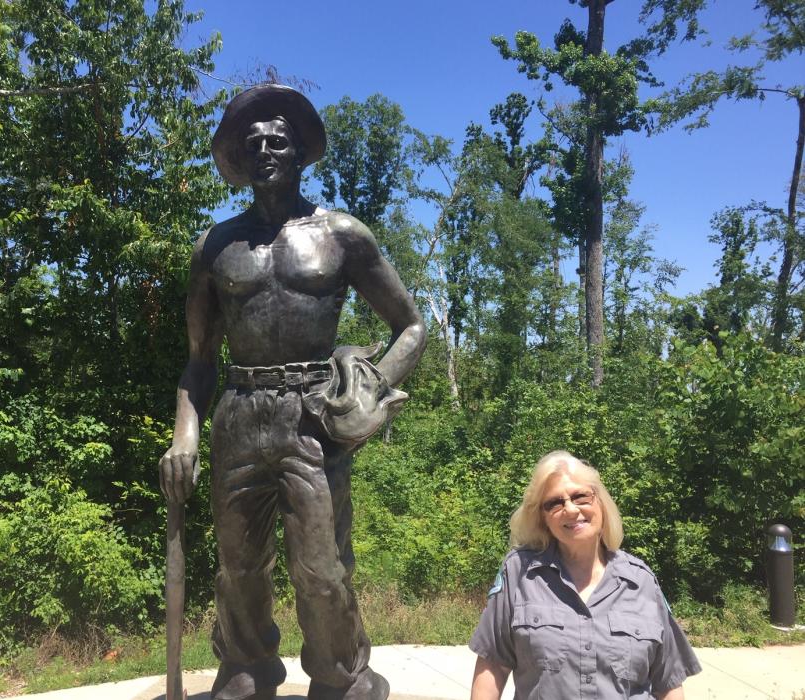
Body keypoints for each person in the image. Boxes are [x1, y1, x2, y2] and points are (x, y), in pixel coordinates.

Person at [159, 84, 425, 700]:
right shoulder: (215, 247)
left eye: (277, 140)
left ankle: (342, 675)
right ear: (238, 156)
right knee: (239, 567)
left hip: (314, 417)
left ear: (301, 151)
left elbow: (410, 325)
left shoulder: (343, 236)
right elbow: (198, 360)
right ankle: (247, 670)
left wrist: (374, 386)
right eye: (251, 143)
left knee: (322, 568)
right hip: (240, 416)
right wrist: (184, 435)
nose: (264, 151)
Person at [469, 451, 702, 700]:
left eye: (581, 497)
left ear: (600, 503)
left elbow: (668, 682)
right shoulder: (519, 572)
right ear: (543, 518)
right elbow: (493, 665)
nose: (570, 509)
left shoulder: (640, 580)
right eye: (554, 503)